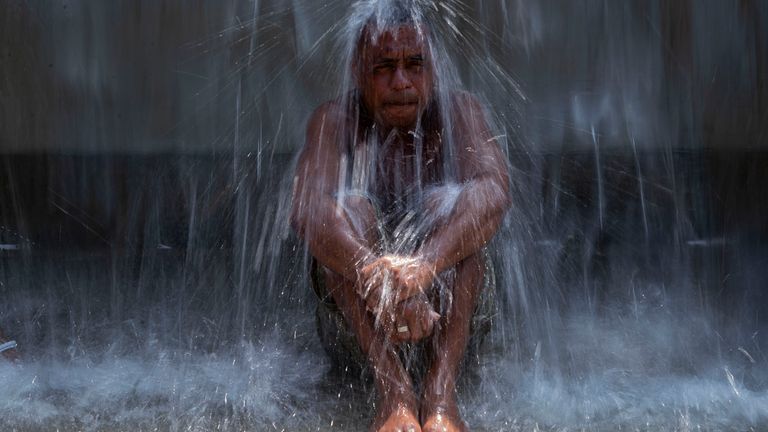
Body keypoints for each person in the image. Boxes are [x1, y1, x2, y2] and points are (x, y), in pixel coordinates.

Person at [290, 5, 510, 432]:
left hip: (452, 319)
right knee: (347, 212)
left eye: (415, 65)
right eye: (384, 68)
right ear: (357, 71)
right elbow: (309, 209)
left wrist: (425, 265)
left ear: (434, 69)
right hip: (359, 330)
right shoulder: (334, 121)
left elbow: (494, 192)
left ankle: (441, 394)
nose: (401, 82)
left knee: (449, 207)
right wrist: (376, 274)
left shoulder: (460, 113)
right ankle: (394, 392)